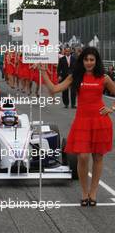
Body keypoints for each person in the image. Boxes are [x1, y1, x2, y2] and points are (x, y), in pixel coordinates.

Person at [40, 47, 115, 206]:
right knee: (82, 156)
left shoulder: (104, 77)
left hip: (100, 121)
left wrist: (111, 108)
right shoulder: (75, 76)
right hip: (82, 121)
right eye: (86, 59)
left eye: (92, 60)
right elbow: (54, 89)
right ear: (82, 61)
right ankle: (84, 192)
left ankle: (93, 193)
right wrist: (43, 72)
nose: (89, 63)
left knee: (98, 157)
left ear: (96, 61)